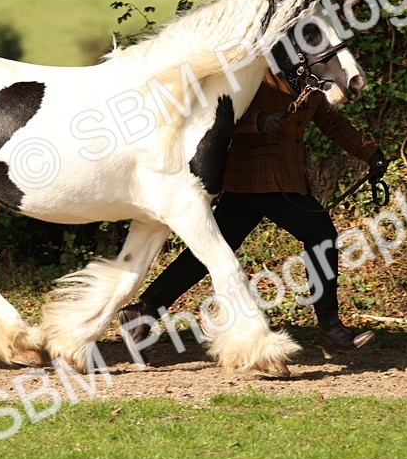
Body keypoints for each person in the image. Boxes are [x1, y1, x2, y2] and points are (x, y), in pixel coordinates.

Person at [120, 70, 386, 357]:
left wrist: (369, 153)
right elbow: (217, 116)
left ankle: (142, 312)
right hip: (258, 177)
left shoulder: (311, 81)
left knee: (211, 249)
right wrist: (257, 121)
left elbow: (331, 121)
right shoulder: (255, 75)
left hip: (279, 179)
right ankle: (331, 329)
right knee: (319, 233)